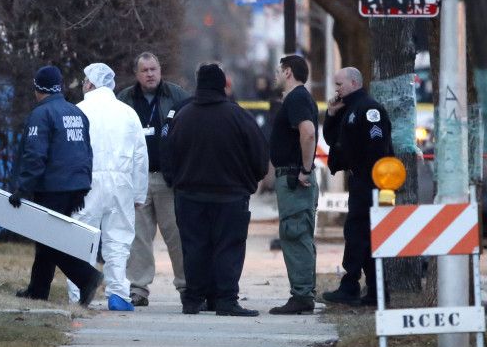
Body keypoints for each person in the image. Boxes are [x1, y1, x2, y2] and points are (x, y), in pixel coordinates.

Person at [163, 63, 269, 317]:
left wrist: (177, 182)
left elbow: (168, 155)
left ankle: (193, 299)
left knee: (194, 247)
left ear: (198, 85)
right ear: (223, 85)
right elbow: (260, 156)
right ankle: (226, 299)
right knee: (228, 247)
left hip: (189, 195)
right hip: (231, 196)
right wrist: (250, 182)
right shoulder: (239, 116)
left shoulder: (183, 116)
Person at [10, 65, 104, 306]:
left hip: (54, 186)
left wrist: (22, 187)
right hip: (77, 184)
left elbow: (35, 155)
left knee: (49, 240)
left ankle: (87, 277)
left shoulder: (41, 114)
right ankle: (38, 290)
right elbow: (86, 150)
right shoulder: (75, 112)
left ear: (37, 89)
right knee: (47, 238)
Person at [64, 63, 149, 311]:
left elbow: (69, 152)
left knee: (81, 237)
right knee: (118, 239)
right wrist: (139, 193)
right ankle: (118, 294)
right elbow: (140, 157)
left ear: (90, 84)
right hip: (121, 183)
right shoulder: (127, 113)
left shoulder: (78, 111)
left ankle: (79, 294)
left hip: (86, 183)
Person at [117, 52, 189, 307]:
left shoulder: (176, 96)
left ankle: (187, 286)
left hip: (167, 179)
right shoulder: (124, 99)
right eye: (145, 70)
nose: (150, 74)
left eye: (154, 69)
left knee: (177, 234)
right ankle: (138, 288)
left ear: (160, 70)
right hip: (137, 179)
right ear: (137, 74)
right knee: (138, 237)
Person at [321, 66, 394, 306]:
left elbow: (377, 146)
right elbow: (332, 140)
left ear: (354, 82)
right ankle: (373, 290)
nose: (337, 90)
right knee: (363, 235)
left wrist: (370, 180)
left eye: (339, 85)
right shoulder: (348, 108)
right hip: (360, 180)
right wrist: (331, 114)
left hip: (371, 182)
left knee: (357, 232)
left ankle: (352, 284)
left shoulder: (369, 109)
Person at [268, 56, 319, 315]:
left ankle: (301, 296)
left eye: (279, 71)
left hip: (293, 177)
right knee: (301, 233)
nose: (276, 75)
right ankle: (305, 291)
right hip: (294, 176)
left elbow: (308, 132)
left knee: (295, 232)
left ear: (288, 72)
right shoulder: (300, 97)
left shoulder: (297, 98)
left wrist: (305, 169)